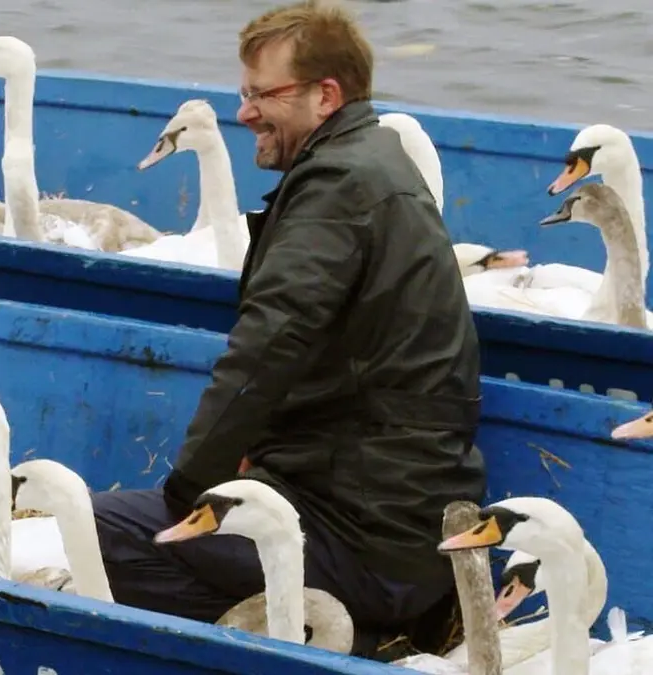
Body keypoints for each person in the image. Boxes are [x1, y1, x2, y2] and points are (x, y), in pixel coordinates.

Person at [91, 0, 486, 658]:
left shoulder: (338, 187)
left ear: (325, 95)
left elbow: (267, 348)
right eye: (243, 94)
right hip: (399, 517)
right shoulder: (371, 162)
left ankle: (350, 643)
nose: (244, 113)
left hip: (366, 537)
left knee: (96, 531)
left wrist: (191, 494)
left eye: (261, 95)